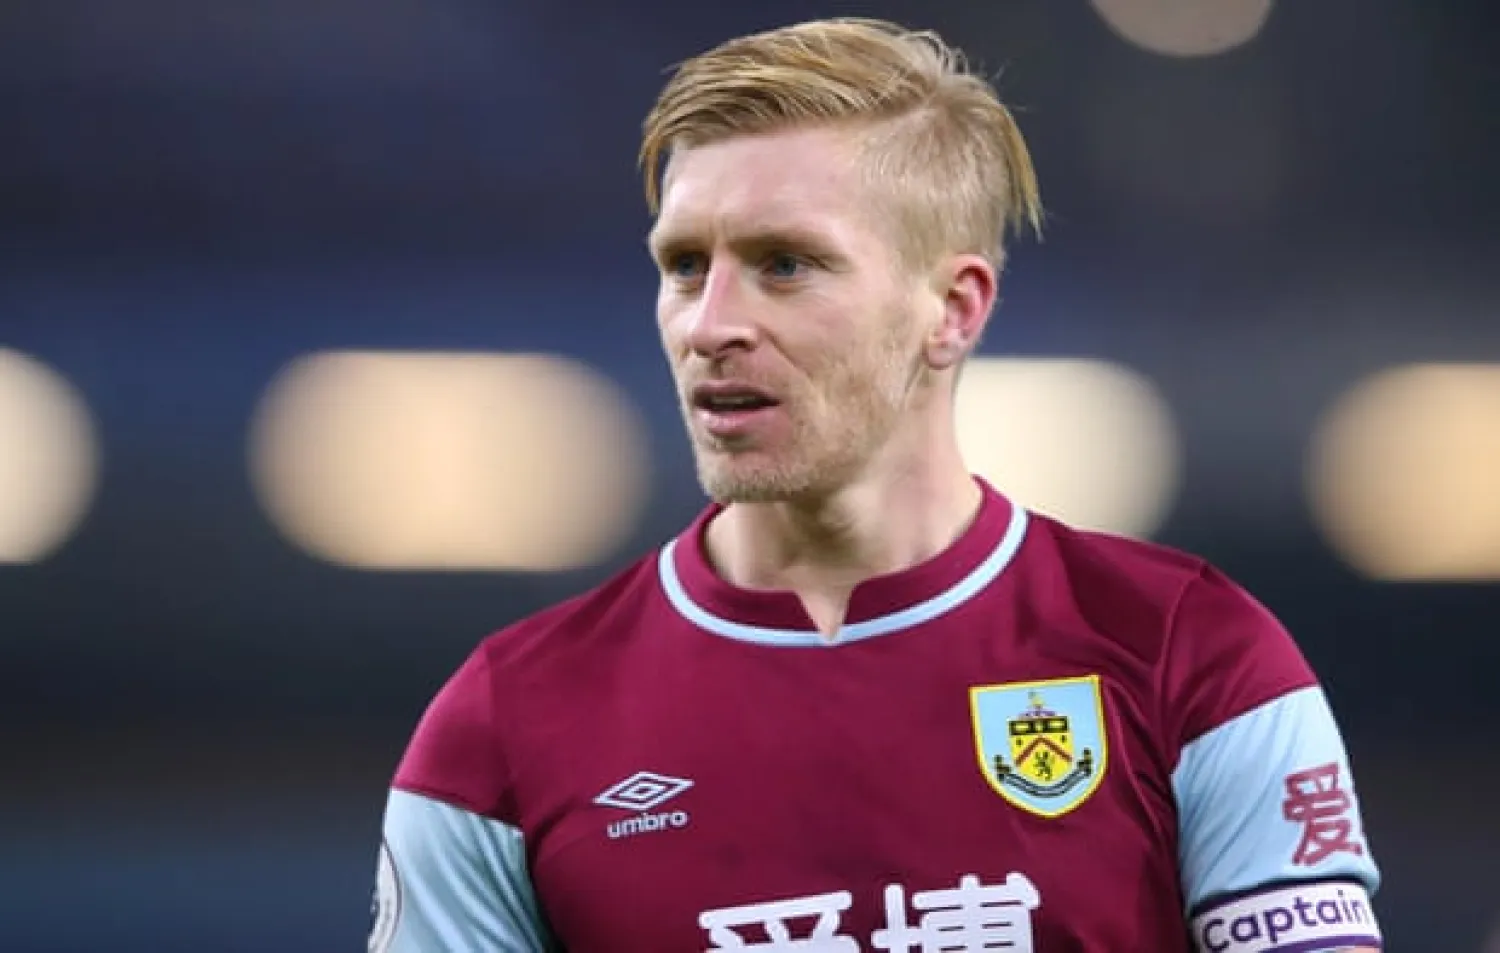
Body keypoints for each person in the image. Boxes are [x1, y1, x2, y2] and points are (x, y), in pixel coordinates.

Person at [370, 17, 1381, 953]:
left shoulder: (1191, 657)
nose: (711, 323)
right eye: (683, 265)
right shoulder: (501, 727)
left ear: (954, 308)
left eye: (784, 264)